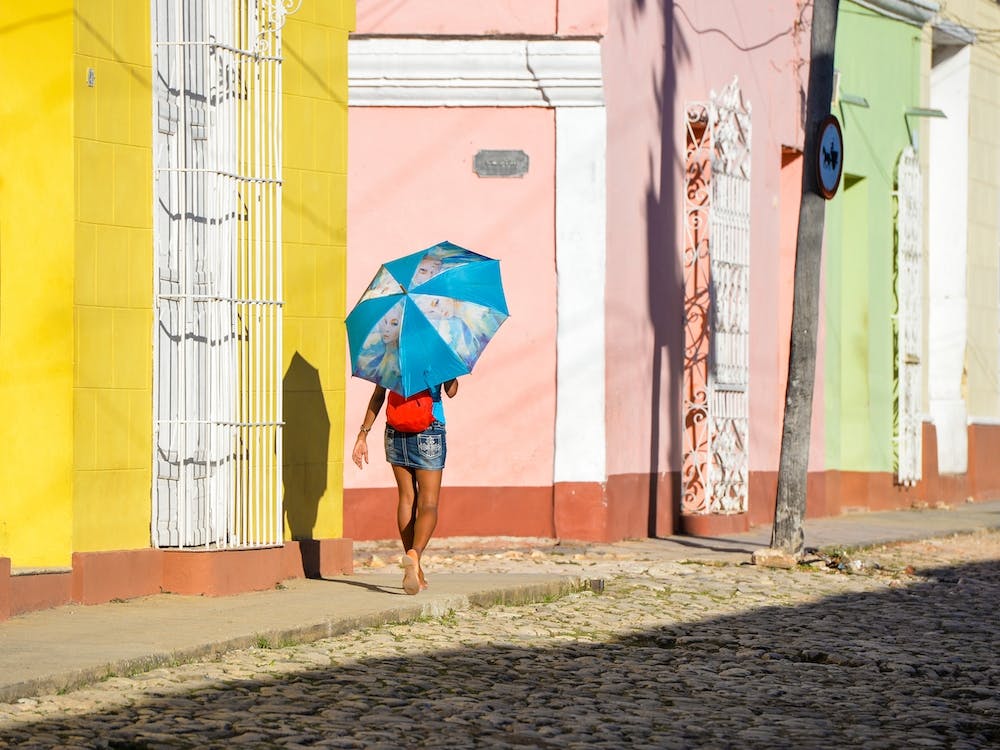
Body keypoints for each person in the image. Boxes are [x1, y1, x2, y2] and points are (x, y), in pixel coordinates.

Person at [352, 378, 459, 595]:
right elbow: (452, 391)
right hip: (429, 429)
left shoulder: (391, 351)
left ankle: (415, 570)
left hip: (395, 430)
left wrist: (363, 434)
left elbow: (378, 396)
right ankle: (414, 554)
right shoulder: (436, 351)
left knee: (406, 498)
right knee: (428, 503)